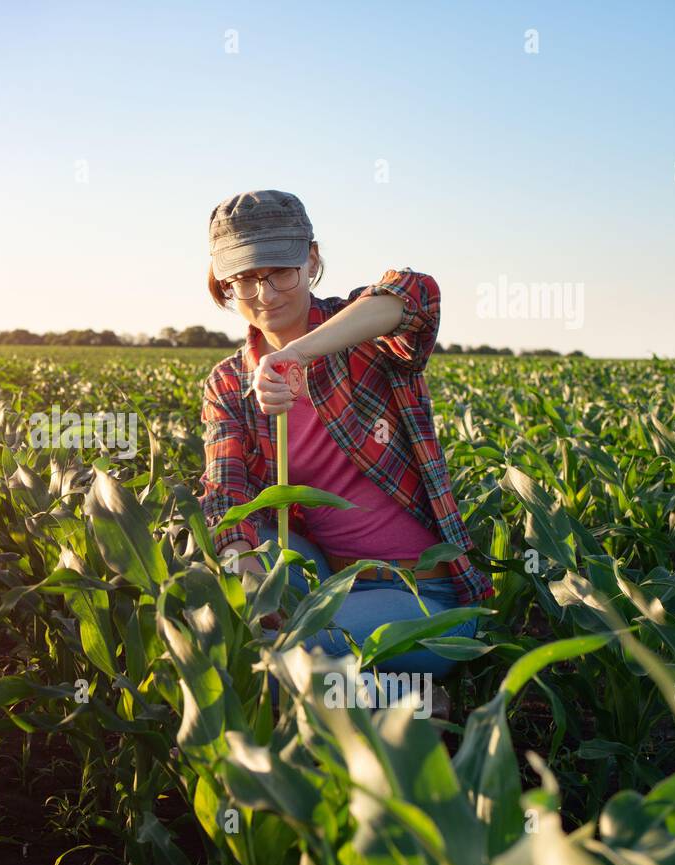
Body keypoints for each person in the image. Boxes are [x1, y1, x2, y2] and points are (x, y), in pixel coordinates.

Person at [195, 189, 494, 713]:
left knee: (285, 655)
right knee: (227, 595)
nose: (263, 293)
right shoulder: (227, 383)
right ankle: (366, 699)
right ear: (221, 281)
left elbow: (417, 296)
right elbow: (226, 494)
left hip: (424, 600)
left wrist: (293, 355)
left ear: (311, 259)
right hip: (331, 583)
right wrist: (251, 597)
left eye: (280, 271)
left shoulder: (362, 335)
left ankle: (419, 703)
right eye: (243, 277)